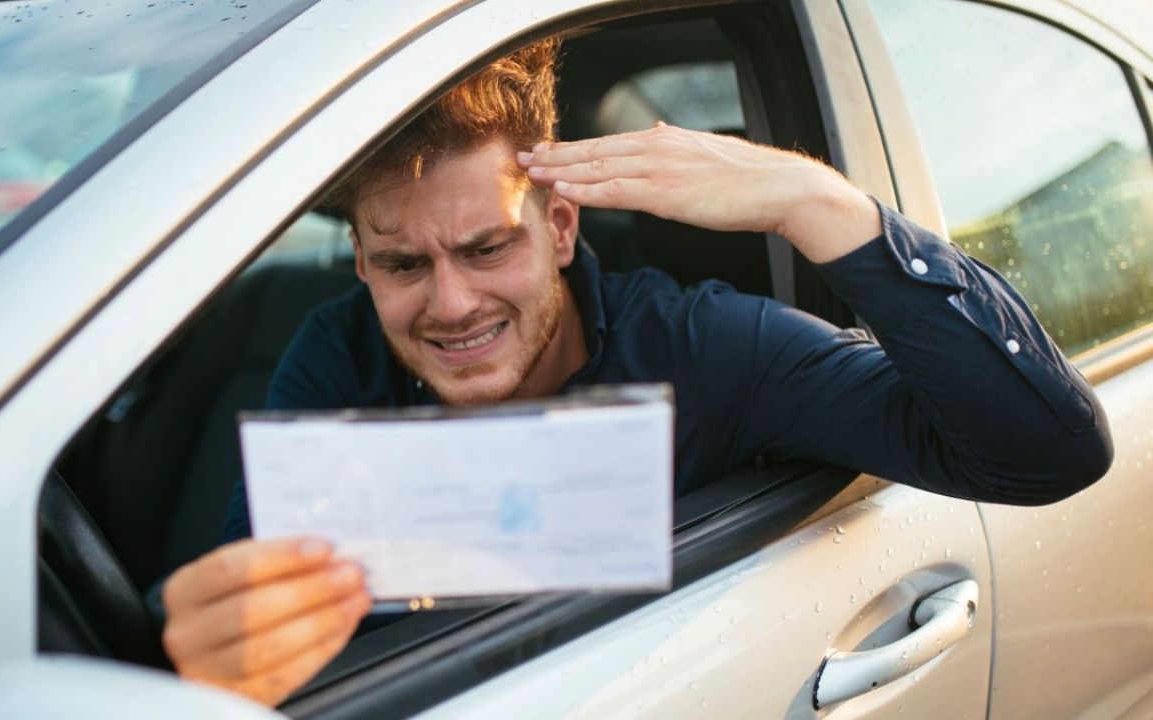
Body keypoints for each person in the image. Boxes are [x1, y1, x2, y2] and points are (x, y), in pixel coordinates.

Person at [158, 38, 1112, 706]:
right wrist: (219, 651)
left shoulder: (710, 349)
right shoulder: (336, 353)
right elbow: (284, 622)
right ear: (360, 263)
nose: (449, 304)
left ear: (561, 227)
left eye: (488, 247)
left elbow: (1044, 455)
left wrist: (812, 199)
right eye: (404, 264)